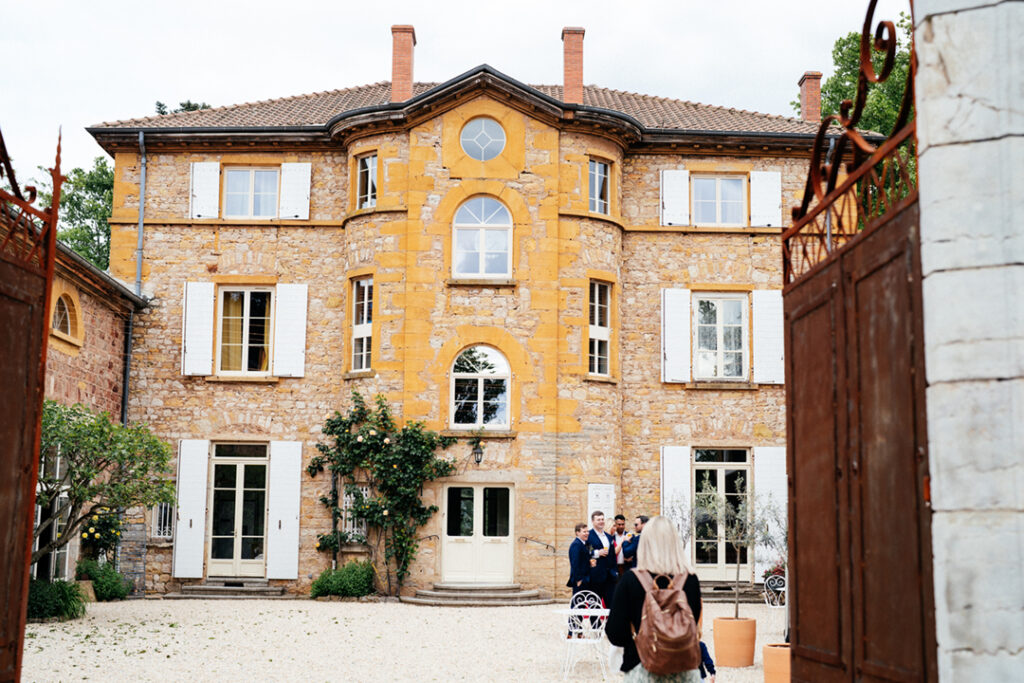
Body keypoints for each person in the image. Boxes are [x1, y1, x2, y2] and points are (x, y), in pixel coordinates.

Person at [605, 515, 702, 681]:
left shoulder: (630, 580)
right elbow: (694, 623)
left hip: (641, 667)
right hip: (684, 667)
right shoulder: (690, 580)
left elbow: (615, 633)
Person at [586, 511, 618, 606]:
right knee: (594, 604)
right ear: (593, 521)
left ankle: (610, 621)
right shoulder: (589, 536)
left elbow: (612, 556)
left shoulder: (608, 537)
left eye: (602, 519)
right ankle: (596, 622)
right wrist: (597, 553)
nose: (601, 521)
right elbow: (587, 551)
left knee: (611, 604)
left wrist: (615, 572)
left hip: (610, 576)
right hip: (595, 576)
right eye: (598, 519)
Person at [566, 522, 595, 595]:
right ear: (577, 533)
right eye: (584, 532)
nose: (587, 533)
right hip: (580, 580)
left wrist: (591, 561)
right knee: (578, 602)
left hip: (587, 578)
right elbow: (575, 563)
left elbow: (592, 552)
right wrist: (579, 579)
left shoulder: (587, 543)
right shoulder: (576, 545)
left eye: (587, 531)